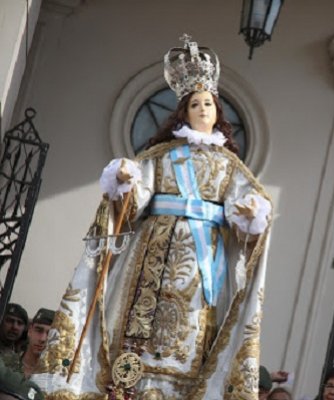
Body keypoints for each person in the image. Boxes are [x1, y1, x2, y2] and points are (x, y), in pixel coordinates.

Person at [32, 35, 272, 400]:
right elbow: (136, 199)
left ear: (218, 111)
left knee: (191, 330)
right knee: (134, 327)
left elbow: (248, 205)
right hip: (150, 258)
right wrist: (125, 182)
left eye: (208, 103)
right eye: (195, 104)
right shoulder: (161, 157)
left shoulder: (230, 167)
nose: (203, 109)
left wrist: (250, 214)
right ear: (184, 112)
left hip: (201, 264)